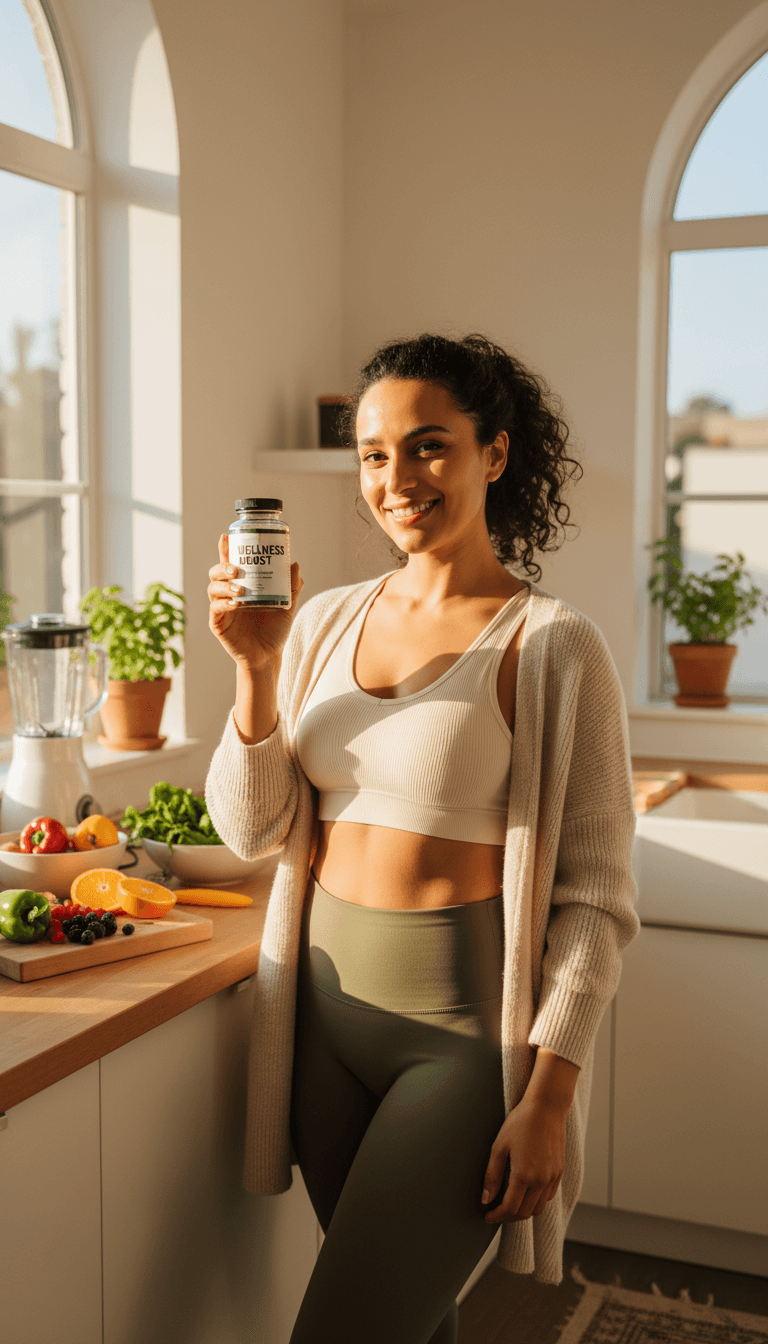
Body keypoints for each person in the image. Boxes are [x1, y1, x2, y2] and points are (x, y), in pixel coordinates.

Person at [205, 333, 640, 1344]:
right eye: (372, 454)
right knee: (410, 1323)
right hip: (320, 1025)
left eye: (428, 446)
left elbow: (597, 900)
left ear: (494, 453)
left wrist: (548, 1094)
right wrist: (255, 672)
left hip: (457, 1049)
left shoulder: (551, 644)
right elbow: (251, 825)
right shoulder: (316, 623)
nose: (396, 480)